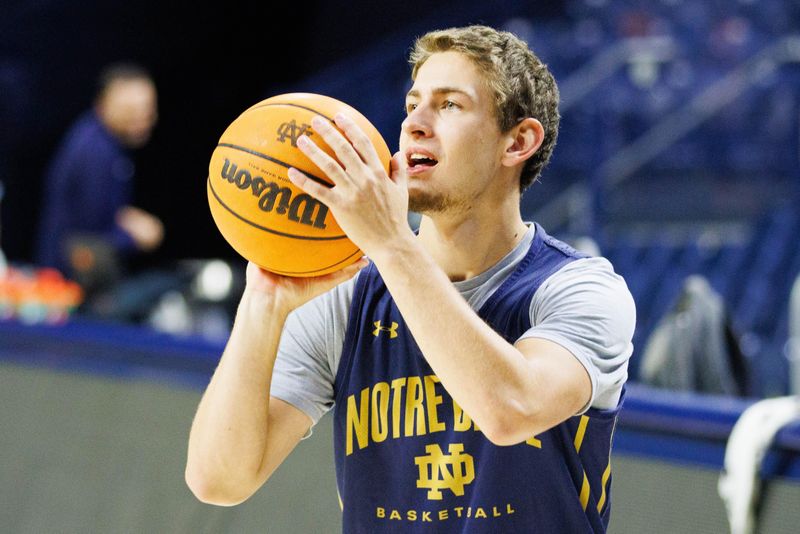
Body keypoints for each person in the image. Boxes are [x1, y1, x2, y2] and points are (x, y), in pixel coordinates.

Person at [186, 25, 635, 533]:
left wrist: (390, 242)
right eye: (412, 104)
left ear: (518, 141)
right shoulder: (349, 296)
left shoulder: (579, 289)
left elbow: (511, 409)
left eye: (449, 105)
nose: (415, 125)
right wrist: (263, 304)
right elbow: (219, 481)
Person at [35, 62, 163, 307]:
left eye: (147, 109)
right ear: (104, 104)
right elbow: (89, 234)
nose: (142, 119)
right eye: (130, 110)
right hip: (67, 288)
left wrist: (124, 217)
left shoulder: (102, 141)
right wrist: (136, 235)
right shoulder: (96, 152)